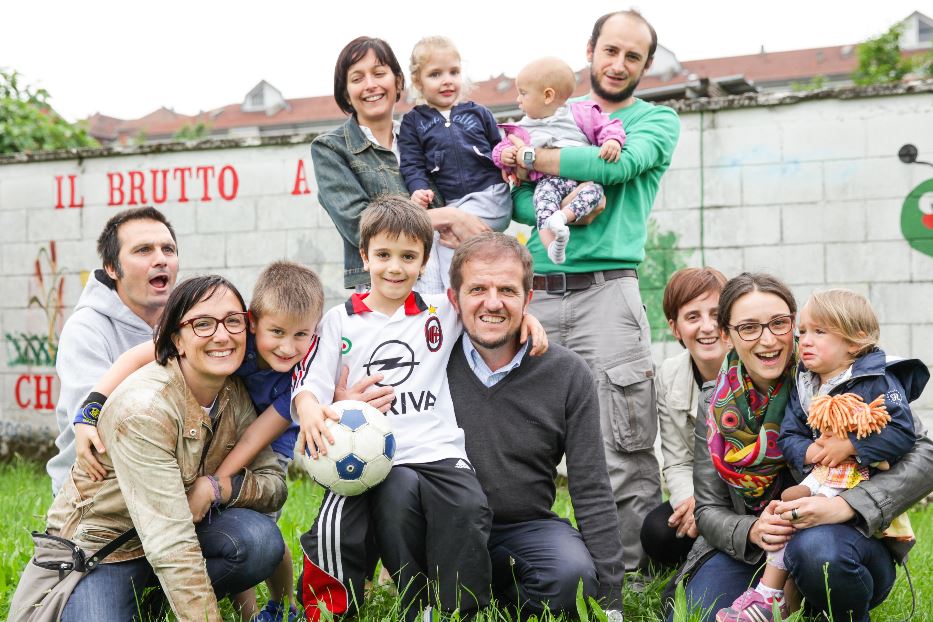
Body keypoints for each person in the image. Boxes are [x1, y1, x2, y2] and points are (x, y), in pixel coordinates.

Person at [292, 197, 547, 621]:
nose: (395, 267)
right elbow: (312, 382)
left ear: (425, 261)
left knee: (468, 508)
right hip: (378, 456)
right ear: (364, 256)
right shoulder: (340, 320)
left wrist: (528, 320)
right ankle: (416, 604)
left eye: (408, 257)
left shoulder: (439, 311)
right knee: (392, 511)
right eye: (384, 255)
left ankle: (463, 609)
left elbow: (488, 309)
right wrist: (310, 407)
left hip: (439, 449)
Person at [508, 9, 680, 570]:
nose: (619, 63)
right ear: (591, 50)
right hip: (533, 294)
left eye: (633, 55)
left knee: (621, 447)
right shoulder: (550, 113)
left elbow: (618, 165)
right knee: (518, 443)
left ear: (646, 64)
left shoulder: (656, 120)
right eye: (611, 50)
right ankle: (531, 572)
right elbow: (514, 202)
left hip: (607, 294)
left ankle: (630, 583)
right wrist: (538, 177)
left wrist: (529, 159)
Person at [11, 275, 287, 622]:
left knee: (259, 542)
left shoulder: (235, 391)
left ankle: (157, 599)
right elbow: (171, 542)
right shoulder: (144, 410)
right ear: (176, 340)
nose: (221, 335)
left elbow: (274, 485)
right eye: (202, 324)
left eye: (233, 321)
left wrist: (218, 487)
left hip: (180, 529)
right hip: (108, 546)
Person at [71, 261, 325, 622]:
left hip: (253, 442)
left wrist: (215, 485)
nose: (287, 347)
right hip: (118, 533)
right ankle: (220, 602)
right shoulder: (230, 344)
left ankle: (276, 608)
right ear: (254, 322)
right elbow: (144, 352)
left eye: (302, 335)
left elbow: (257, 437)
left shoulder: (299, 373)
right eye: (278, 332)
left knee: (258, 531)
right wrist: (91, 407)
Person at [675, 272, 933, 622]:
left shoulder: (840, 373)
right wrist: (752, 529)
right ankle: (776, 599)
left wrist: (846, 505)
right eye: (749, 327)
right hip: (755, 550)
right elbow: (708, 510)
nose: (768, 339)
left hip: (842, 540)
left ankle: (820, 602)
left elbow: (925, 453)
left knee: (818, 553)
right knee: (699, 615)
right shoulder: (716, 404)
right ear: (727, 335)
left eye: (779, 323)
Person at [445, 232, 624, 621]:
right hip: (445, 530)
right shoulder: (428, 363)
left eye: (507, 290)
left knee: (571, 578)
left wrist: (611, 601)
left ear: (528, 300)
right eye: (477, 288)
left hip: (525, 528)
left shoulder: (566, 373)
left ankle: (507, 590)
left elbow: (591, 486)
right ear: (453, 298)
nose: (493, 303)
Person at [311, 36, 490, 292]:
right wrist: (448, 216)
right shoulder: (331, 149)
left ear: (398, 81)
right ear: (346, 94)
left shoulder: (423, 134)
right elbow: (361, 226)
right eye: (357, 78)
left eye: (379, 73)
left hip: (447, 286)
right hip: (387, 294)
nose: (370, 85)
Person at [46, 206, 179, 495]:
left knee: (254, 537)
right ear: (111, 268)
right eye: (143, 250)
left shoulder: (189, 322)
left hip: (173, 481)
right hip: (97, 490)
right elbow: (102, 426)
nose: (161, 259)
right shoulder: (85, 328)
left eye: (168, 249)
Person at [398, 35, 509, 292]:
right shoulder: (413, 122)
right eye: (435, 74)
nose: (447, 80)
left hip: (490, 194)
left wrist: (509, 164)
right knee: (449, 246)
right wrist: (417, 188)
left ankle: (457, 298)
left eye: (454, 72)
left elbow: (498, 146)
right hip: (454, 203)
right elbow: (412, 163)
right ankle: (472, 293)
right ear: (418, 81)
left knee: (448, 245)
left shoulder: (479, 112)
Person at [493, 57, 624, 264]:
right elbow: (503, 147)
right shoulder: (522, 128)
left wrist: (613, 141)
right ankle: (552, 247)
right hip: (549, 183)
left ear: (547, 95)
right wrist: (503, 156)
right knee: (543, 200)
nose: (518, 99)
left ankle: (562, 217)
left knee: (596, 194)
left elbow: (609, 127)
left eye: (523, 93)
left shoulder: (582, 114)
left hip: (581, 183)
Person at [640, 267, 728, 569]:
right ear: (675, 328)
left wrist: (710, 507)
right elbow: (677, 461)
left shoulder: (756, 363)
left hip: (752, 495)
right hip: (704, 493)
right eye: (693, 317)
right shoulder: (668, 375)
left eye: (717, 315)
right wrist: (693, 502)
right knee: (657, 532)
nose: (707, 327)